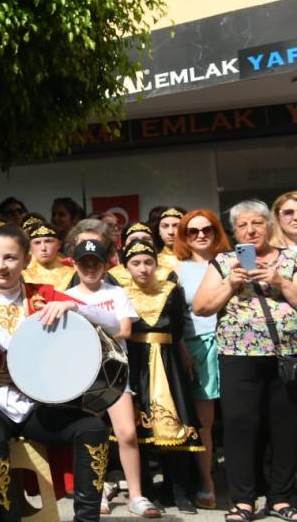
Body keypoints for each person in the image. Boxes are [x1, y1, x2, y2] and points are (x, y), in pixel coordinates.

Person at [0, 225, 120, 522]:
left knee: (93, 427)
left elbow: (114, 323)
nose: (0, 266)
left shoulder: (43, 295)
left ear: (26, 260)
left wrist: (73, 306)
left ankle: (86, 519)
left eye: (10, 258)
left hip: (37, 400)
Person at [192, 200, 297, 522]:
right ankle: (243, 500)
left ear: (269, 225)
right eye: (242, 226)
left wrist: (280, 282)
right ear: (234, 230)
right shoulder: (223, 261)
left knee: (287, 428)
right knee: (240, 427)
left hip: (286, 356)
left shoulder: (291, 258)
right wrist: (230, 284)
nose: (250, 231)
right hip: (239, 357)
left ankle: (281, 498)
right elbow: (201, 307)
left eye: (257, 224)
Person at [120, 237, 203, 514]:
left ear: (156, 264)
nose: (142, 268)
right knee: (139, 431)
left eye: (148, 262)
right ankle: (146, 492)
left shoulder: (170, 290)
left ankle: (180, 492)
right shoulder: (121, 293)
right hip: (137, 364)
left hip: (168, 366)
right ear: (126, 266)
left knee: (176, 429)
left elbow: (177, 328)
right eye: (135, 263)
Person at [64, 235, 145, 516]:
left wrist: (89, 320)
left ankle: (136, 494)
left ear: (105, 266)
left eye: (95, 263)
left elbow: (125, 331)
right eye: (84, 262)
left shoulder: (116, 293)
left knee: (127, 433)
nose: (89, 268)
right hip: (81, 374)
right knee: (88, 434)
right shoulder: (64, 297)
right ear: (74, 265)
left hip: (114, 373)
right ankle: (94, 494)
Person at [173, 209, 229, 510]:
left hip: (234, 344)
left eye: (206, 229)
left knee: (240, 417)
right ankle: (207, 483)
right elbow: (176, 318)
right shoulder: (177, 269)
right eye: (191, 232)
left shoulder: (232, 261)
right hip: (196, 347)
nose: (200, 235)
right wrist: (183, 350)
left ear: (216, 231)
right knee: (204, 422)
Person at [22, 221, 73, 291]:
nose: (43, 248)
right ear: (30, 246)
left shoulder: (72, 273)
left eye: (48, 241)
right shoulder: (21, 275)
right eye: (37, 243)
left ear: (59, 244)